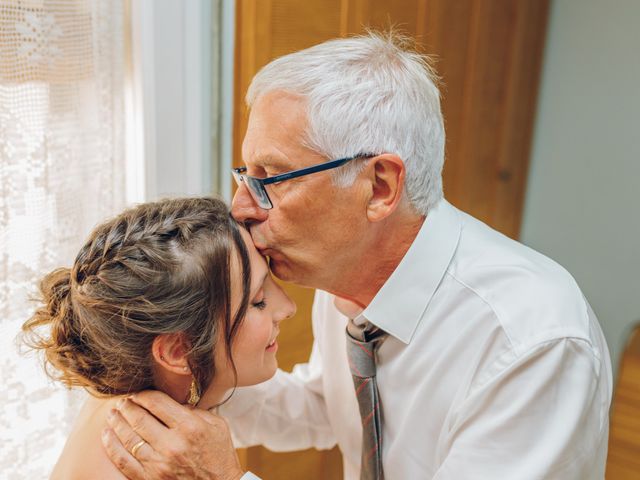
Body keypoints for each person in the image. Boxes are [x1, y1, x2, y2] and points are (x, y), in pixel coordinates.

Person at [104, 32, 612, 479]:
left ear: (379, 186)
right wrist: (189, 378)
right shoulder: (346, 276)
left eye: (270, 178)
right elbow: (325, 408)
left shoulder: (533, 345)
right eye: (245, 177)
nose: (240, 208)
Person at [22, 197, 295, 480]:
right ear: (179, 351)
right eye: (259, 301)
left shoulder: (142, 389)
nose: (288, 308)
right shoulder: (139, 463)